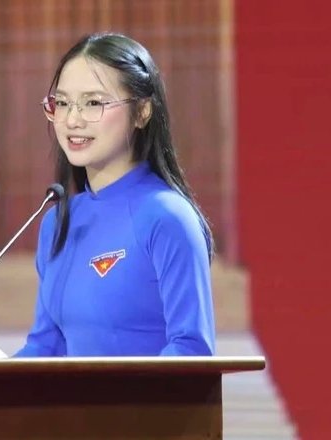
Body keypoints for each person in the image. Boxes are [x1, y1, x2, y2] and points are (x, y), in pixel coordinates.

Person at [14, 32, 215, 357]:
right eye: (62, 103)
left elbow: (191, 350)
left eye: (93, 103)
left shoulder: (167, 217)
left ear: (142, 111)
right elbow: (46, 348)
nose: (72, 120)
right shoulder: (57, 221)